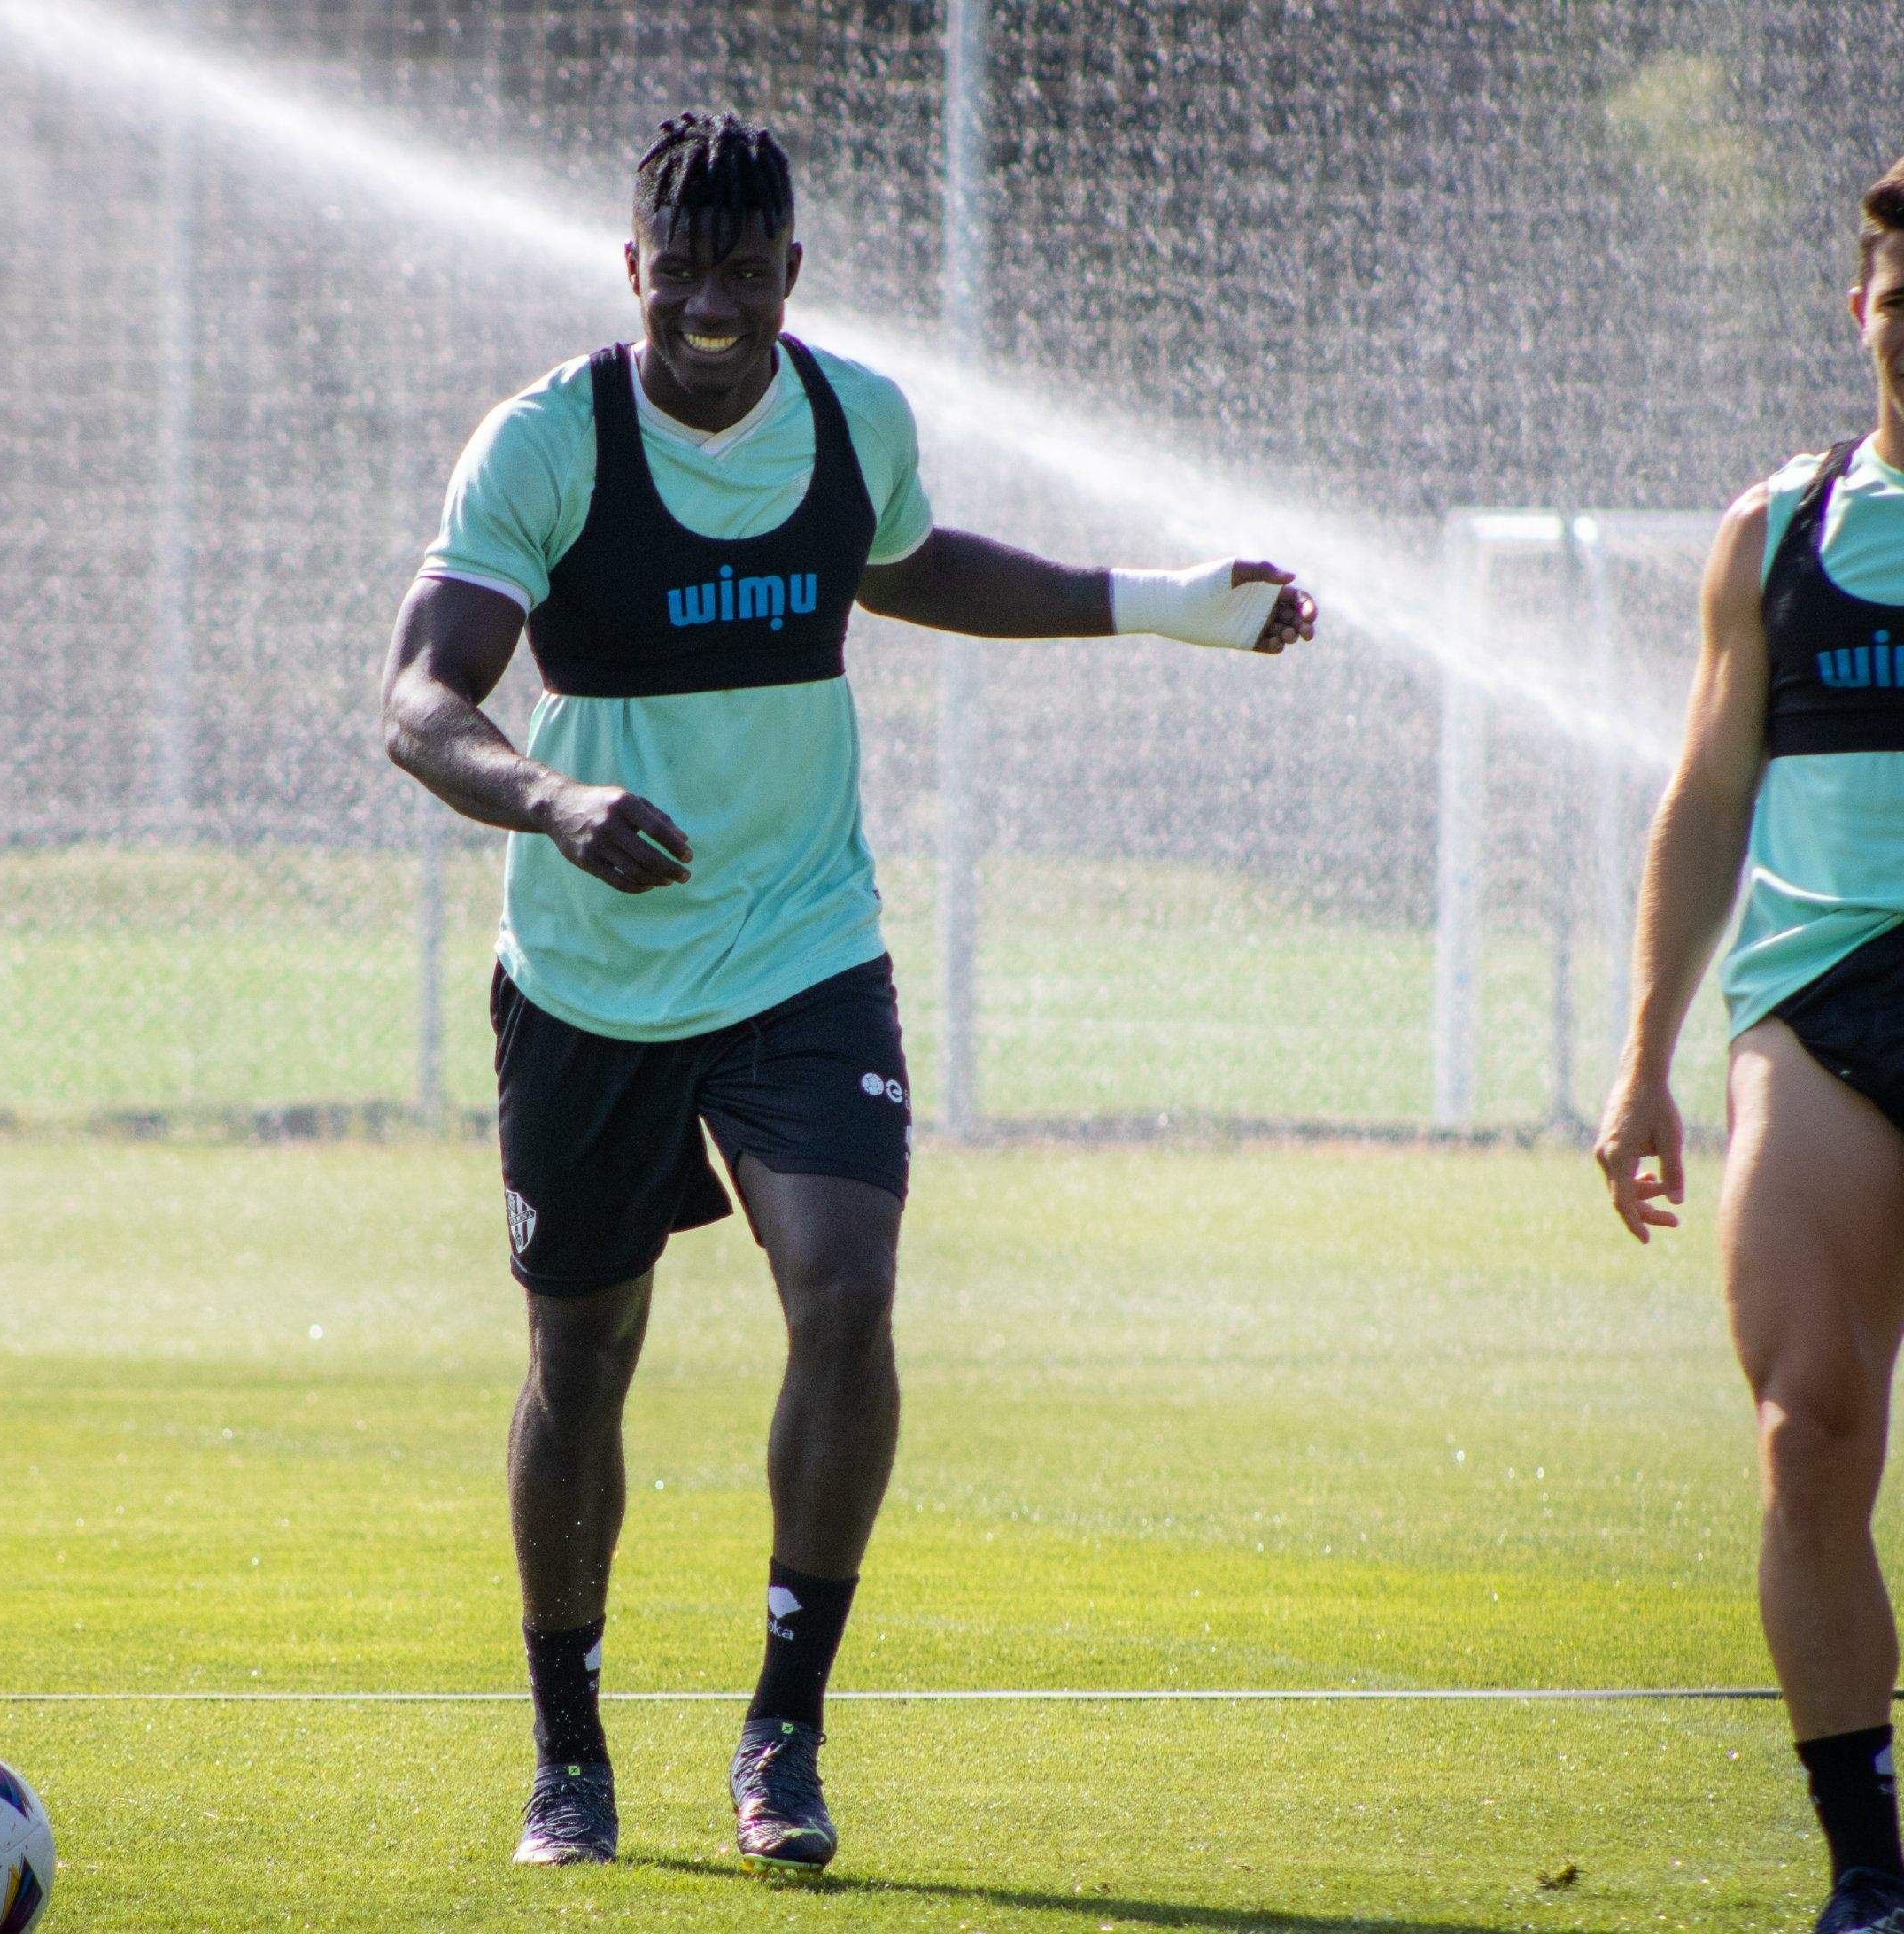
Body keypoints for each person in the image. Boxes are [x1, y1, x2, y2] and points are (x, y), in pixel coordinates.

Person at [379, 110, 1312, 1876]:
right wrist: (557, 801)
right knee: (583, 1358)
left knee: (848, 1289)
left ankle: (783, 1740)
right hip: (590, 972)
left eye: (750, 268)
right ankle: (568, 1757)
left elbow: (906, 563)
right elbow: (420, 700)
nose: (714, 302)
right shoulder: (545, 444)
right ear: (632, 267)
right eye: (685, 268)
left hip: (803, 945)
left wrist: (1166, 608)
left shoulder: (850, 421)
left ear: (791, 274)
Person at [1596, 141, 1904, 1934]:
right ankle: (1868, 1874)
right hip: (1805, 1012)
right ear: (1857, 308)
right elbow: (1705, 794)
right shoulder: (1778, 529)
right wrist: (1644, 1055)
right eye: (1902, 301)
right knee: (1810, 1435)